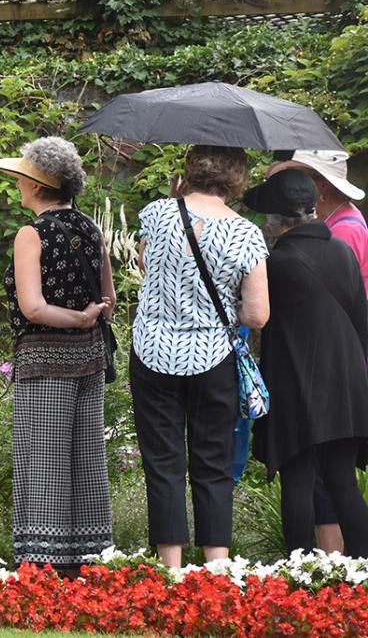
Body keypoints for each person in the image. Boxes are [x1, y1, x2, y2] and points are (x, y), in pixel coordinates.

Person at [131, 145, 269, 569]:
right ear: (237, 177)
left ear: (190, 169)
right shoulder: (246, 233)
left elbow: (144, 261)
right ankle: (216, 569)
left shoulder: (156, 214)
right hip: (212, 358)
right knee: (212, 463)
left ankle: (171, 568)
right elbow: (257, 314)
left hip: (152, 353)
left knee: (163, 461)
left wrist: (174, 199)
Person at [0, 137, 115, 572]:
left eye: (21, 178)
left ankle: (44, 568)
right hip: (91, 360)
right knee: (86, 461)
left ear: (36, 185)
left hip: (44, 360)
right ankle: (91, 562)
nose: (17, 185)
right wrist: (88, 318)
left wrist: (76, 319)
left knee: (42, 462)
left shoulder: (31, 233)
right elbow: (109, 298)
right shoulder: (90, 228)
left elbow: (33, 307)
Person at [242, 169, 368, 557]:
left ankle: (296, 569)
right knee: (342, 479)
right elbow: (360, 320)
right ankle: (362, 565)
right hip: (347, 382)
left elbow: (254, 316)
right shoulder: (342, 251)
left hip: (297, 382)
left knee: (297, 478)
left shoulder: (277, 263)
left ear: (276, 222)